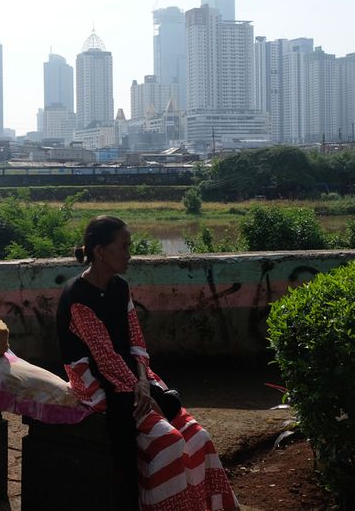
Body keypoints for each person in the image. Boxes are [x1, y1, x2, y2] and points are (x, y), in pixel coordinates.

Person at [56, 215, 238, 511]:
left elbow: (136, 341)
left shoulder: (120, 287)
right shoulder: (77, 297)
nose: (130, 254)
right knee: (168, 442)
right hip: (95, 382)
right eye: (124, 247)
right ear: (100, 252)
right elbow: (104, 358)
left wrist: (144, 382)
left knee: (198, 437)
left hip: (131, 375)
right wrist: (143, 392)